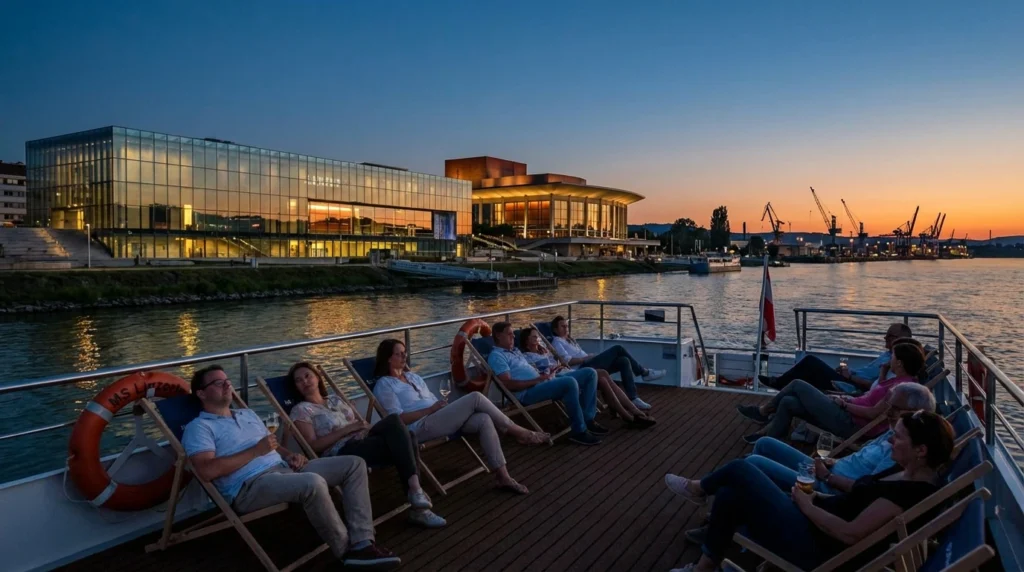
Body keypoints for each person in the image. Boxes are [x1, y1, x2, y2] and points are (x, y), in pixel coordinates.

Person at [663, 410, 954, 572]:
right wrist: (820, 496)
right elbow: (856, 496)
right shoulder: (901, 471)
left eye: (897, 438)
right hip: (814, 520)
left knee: (742, 470)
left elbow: (850, 534)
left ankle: (698, 489)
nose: (890, 443)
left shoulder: (910, 493)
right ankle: (702, 568)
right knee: (730, 494)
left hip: (816, 547)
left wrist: (806, 505)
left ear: (921, 450)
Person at [181, 365, 400, 570]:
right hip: (250, 487)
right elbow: (206, 471)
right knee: (313, 483)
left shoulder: (246, 414)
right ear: (201, 394)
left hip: (284, 470)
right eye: (218, 383)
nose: (228, 385)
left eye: (227, 380)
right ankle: (347, 552)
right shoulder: (199, 428)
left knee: (354, 464)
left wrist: (291, 455)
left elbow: (272, 446)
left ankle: (363, 542)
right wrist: (255, 452)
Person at [372, 339, 549, 495]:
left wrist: (442, 408)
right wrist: (430, 410)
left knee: (483, 420)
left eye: (405, 353)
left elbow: (433, 401)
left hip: (439, 417)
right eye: (399, 354)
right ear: (388, 358)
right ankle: (521, 433)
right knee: (475, 398)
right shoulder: (384, 385)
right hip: (419, 427)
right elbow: (397, 421)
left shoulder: (414, 377)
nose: (405, 357)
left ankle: (503, 476)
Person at [286, 362, 445, 528]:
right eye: (298, 380)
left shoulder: (335, 399)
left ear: (317, 378)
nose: (305, 381)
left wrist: (363, 427)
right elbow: (314, 446)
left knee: (400, 428)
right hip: (343, 451)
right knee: (407, 438)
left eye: (307, 376)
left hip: (365, 439)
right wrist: (349, 429)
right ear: (295, 387)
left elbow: (360, 423)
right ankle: (418, 501)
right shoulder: (301, 410)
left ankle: (416, 497)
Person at [737, 342, 926, 444]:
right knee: (788, 401)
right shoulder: (897, 380)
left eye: (892, 356)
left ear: (900, 363)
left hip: (850, 423)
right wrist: (883, 373)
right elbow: (874, 395)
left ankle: (763, 412)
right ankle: (770, 440)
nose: (889, 357)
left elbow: (872, 414)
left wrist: (844, 403)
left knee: (797, 384)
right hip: (849, 411)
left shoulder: (901, 389)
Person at [488, 321, 604, 446]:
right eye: (509, 334)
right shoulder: (497, 356)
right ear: (498, 336)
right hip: (528, 392)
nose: (514, 336)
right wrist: (537, 380)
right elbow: (508, 385)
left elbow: (528, 369)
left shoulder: (515, 351)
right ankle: (579, 431)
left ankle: (588, 419)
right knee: (569, 383)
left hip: (543, 381)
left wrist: (547, 373)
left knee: (590, 373)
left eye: (513, 334)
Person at [519, 326, 656, 430]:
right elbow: (540, 373)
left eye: (538, 337)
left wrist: (556, 363)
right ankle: (632, 414)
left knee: (603, 377)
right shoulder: (527, 357)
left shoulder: (545, 352)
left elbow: (559, 364)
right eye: (534, 337)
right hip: (561, 377)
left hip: (565, 372)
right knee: (602, 371)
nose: (538, 340)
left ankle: (631, 415)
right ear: (526, 342)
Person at [549, 315, 665, 410]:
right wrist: (585, 358)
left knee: (623, 361)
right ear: (555, 329)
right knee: (618, 348)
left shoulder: (569, 340)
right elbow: (566, 361)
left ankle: (633, 398)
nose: (566, 329)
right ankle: (644, 372)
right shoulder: (557, 342)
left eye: (567, 326)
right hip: (583, 369)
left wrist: (590, 356)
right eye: (562, 326)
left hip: (590, 362)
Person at [759, 323, 913, 393]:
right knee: (806, 375)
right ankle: (779, 393)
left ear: (898, 338)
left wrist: (850, 376)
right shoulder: (886, 354)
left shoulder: (896, 363)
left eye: (889, 336)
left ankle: (779, 384)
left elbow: (877, 387)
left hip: (851, 387)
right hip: (848, 377)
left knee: (809, 361)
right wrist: (848, 371)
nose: (885, 338)